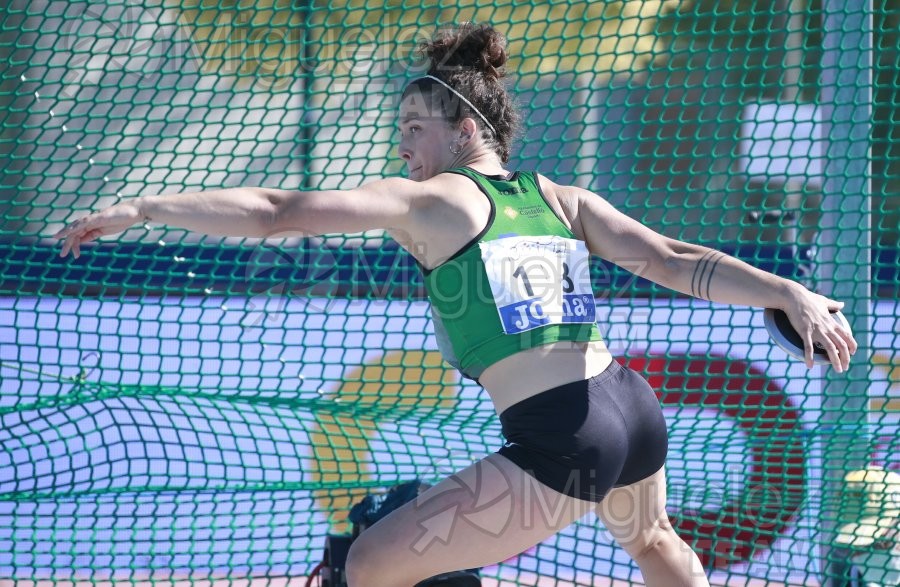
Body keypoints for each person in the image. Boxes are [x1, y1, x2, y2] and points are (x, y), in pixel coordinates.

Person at [54, 22, 857, 587]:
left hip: (564, 436)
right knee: (652, 541)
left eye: (413, 125)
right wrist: (787, 290)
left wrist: (145, 208)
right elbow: (674, 260)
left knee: (367, 563)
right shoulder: (558, 194)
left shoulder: (435, 199)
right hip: (628, 404)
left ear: (465, 127)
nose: (401, 143)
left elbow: (276, 211)